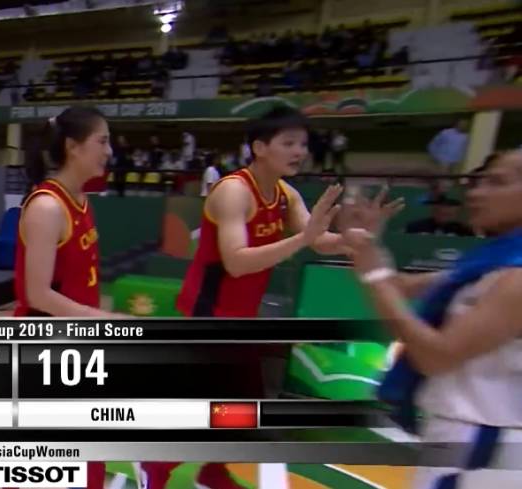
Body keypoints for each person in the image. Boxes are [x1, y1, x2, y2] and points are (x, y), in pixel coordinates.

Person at [143, 107, 400, 489]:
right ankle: (154, 467)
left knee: (243, 404)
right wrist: (303, 239)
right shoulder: (233, 191)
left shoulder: (285, 194)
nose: (299, 151)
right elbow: (236, 262)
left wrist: (358, 237)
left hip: (243, 316)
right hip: (208, 314)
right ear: (259, 147)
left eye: (303, 144)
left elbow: (318, 241)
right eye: (289, 143)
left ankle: (212, 470)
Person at [342, 151, 522, 488]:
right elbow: (400, 286)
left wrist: (374, 276)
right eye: (479, 182)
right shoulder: (489, 262)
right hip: (460, 429)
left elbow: (435, 356)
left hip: (482, 438)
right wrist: (367, 244)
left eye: (496, 182)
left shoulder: (516, 276)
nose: (476, 193)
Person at [14, 106, 119, 489]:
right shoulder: (47, 206)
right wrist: (102, 319)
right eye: (102, 141)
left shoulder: (81, 200)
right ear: (73, 147)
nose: (109, 150)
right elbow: (37, 293)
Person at [404, 195, 474, 237]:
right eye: (442, 206)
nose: (446, 209)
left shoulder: (463, 231)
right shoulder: (415, 227)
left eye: (449, 206)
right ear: (434, 210)